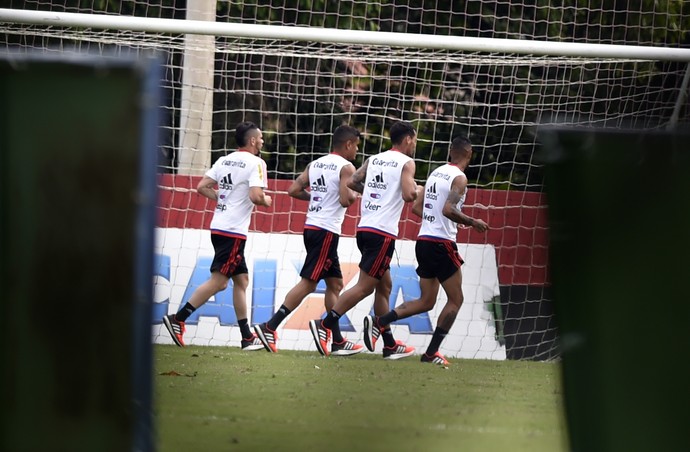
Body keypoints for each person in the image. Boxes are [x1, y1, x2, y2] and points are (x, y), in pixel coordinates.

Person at [362, 135, 489, 365]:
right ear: (469, 155)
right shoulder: (459, 178)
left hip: (424, 241)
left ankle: (381, 322)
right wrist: (471, 221)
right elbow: (449, 209)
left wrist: (447, 220)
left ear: (450, 151)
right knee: (456, 299)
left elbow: (418, 209)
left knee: (426, 301)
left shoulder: (436, 173)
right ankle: (431, 353)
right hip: (442, 244)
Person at [309, 120, 420, 358]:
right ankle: (325, 325)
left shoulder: (374, 159)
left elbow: (352, 182)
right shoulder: (407, 163)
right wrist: (420, 189)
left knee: (385, 285)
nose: (415, 144)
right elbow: (409, 195)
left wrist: (375, 192)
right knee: (364, 287)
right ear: (408, 138)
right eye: (415, 140)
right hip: (382, 232)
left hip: (365, 228)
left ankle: (389, 344)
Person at [253, 125, 364, 356]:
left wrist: (317, 197)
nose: (356, 152)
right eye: (356, 147)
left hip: (312, 226)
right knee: (309, 283)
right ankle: (270, 326)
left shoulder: (316, 164)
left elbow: (294, 189)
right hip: (325, 230)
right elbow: (345, 200)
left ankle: (337, 340)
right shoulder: (346, 167)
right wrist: (355, 193)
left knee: (335, 284)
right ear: (348, 144)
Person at [163, 121, 272, 350]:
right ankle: (178, 319)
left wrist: (224, 200)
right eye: (260, 138)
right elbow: (255, 196)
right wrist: (266, 200)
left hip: (219, 226)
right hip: (233, 231)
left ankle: (246, 337)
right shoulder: (257, 162)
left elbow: (202, 186)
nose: (262, 141)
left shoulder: (224, 160)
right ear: (252, 141)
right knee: (220, 282)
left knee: (241, 280)